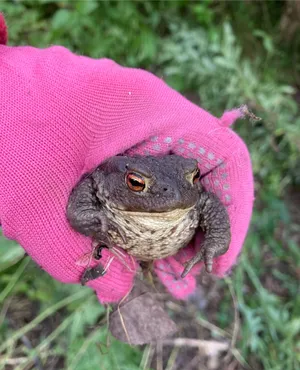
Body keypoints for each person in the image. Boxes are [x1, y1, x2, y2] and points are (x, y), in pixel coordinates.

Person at [0, 14, 254, 304]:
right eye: (136, 183)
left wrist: (216, 240)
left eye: (193, 177)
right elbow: (81, 209)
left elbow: (211, 206)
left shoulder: (192, 199)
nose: (171, 192)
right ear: (126, 180)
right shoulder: (105, 182)